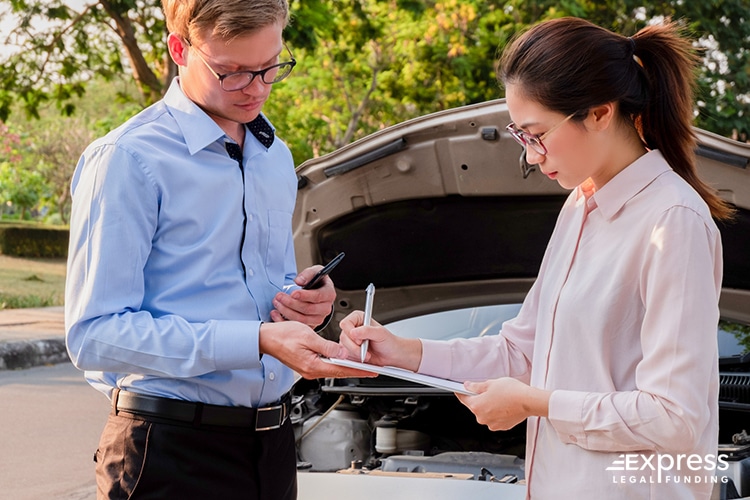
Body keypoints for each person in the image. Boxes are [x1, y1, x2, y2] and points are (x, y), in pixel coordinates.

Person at [339, 17, 734, 499]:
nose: (529, 156)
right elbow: (522, 352)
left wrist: (538, 404)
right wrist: (406, 352)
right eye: (520, 136)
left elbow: (674, 417)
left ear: (599, 113)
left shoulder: (673, 221)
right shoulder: (580, 205)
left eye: (536, 133)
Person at [64, 1, 367, 498]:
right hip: (168, 452)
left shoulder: (275, 155)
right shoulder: (126, 159)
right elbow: (94, 335)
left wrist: (301, 301)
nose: (256, 89)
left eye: (271, 68)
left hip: (272, 445)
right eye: (232, 72)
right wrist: (257, 341)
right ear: (179, 49)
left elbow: (248, 291)